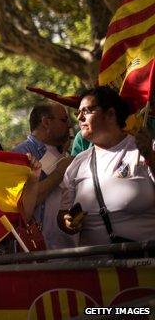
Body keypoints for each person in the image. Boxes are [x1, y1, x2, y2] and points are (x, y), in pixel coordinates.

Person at [59, 86, 155, 246]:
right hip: (97, 267)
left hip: (144, 266)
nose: (80, 118)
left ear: (110, 114)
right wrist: (67, 222)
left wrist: (150, 157)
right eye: (78, 112)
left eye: (87, 111)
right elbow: (63, 214)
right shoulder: (77, 163)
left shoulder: (145, 150)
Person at [13, 103, 76, 249]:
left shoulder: (63, 151)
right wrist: (58, 173)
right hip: (42, 250)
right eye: (64, 120)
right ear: (46, 122)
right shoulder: (23, 154)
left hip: (68, 248)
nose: (69, 126)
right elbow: (21, 204)